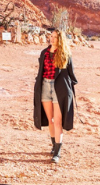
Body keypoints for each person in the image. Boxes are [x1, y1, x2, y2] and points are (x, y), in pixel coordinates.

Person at [33, 29, 78, 163]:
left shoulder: (65, 54)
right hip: (45, 87)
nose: (52, 39)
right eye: (51, 36)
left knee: (58, 121)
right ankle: (54, 145)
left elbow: (72, 75)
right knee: (50, 120)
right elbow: (40, 71)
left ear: (60, 40)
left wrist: (67, 88)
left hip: (59, 89)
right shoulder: (44, 53)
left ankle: (57, 153)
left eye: (55, 37)